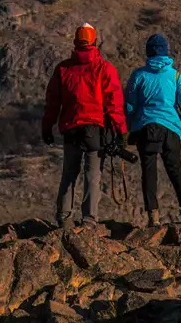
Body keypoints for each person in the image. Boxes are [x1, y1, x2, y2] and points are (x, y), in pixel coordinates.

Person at [41, 22, 125, 226]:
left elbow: (53, 101)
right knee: (93, 175)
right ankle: (89, 219)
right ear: (95, 41)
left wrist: (47, 126)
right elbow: (113, 103)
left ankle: (64, 218)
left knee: (69, 173)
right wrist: (120, 131)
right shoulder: (105, 69)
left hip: (71, 127)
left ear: (75, 42)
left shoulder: (63, 69)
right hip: (96, 129)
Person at [123, 32, 181, 225]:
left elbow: (129, 104)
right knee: (175, 168)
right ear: (166, 52)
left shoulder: (139, 75)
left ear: (148, 52)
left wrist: (130, 124)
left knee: (149, 171)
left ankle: (153, 216)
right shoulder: (175, 76)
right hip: (171, 128)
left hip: (146, 128)